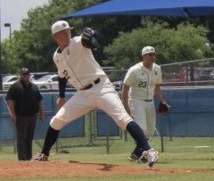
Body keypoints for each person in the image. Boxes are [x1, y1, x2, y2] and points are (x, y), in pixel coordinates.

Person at [33, 20, 159, 167]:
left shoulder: (79, 42)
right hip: (83, 94)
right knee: (57, 120)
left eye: (68, 30)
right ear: (56, 37)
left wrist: (94, 35)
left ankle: (149, 151)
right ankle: (44, 154)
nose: (68, 33)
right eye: (64, 32)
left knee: (122, 118)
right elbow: (61, 76)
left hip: (101, 87)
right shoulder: (57, 56)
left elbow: (93, 41)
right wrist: (61, 96)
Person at [122, 46, 169, 162]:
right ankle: (141, 153)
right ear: (144, 56)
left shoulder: (157, 68)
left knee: (150, 130)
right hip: (136, 100)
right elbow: (125, 87)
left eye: (154, 54)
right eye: (150, 54)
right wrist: (126, 106)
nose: (153, 57)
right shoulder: (135, 70)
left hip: (150, 101)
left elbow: (157, 87)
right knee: (141, 128)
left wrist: (162, 101)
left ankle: (136, 153)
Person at [6, 67, 44, 161]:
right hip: (21, 116)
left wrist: (42, 113)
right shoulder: (15, 86)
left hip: (32, 116)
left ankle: (28, 157)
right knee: (21, 138)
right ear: (20, 75)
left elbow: (39, 101)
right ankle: (22, 158)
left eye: (27, 74)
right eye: (23, 74)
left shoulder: (34, 86)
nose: (25, 75)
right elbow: (10, 101)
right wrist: (13, 115)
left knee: (29, 137)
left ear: (29, 75)